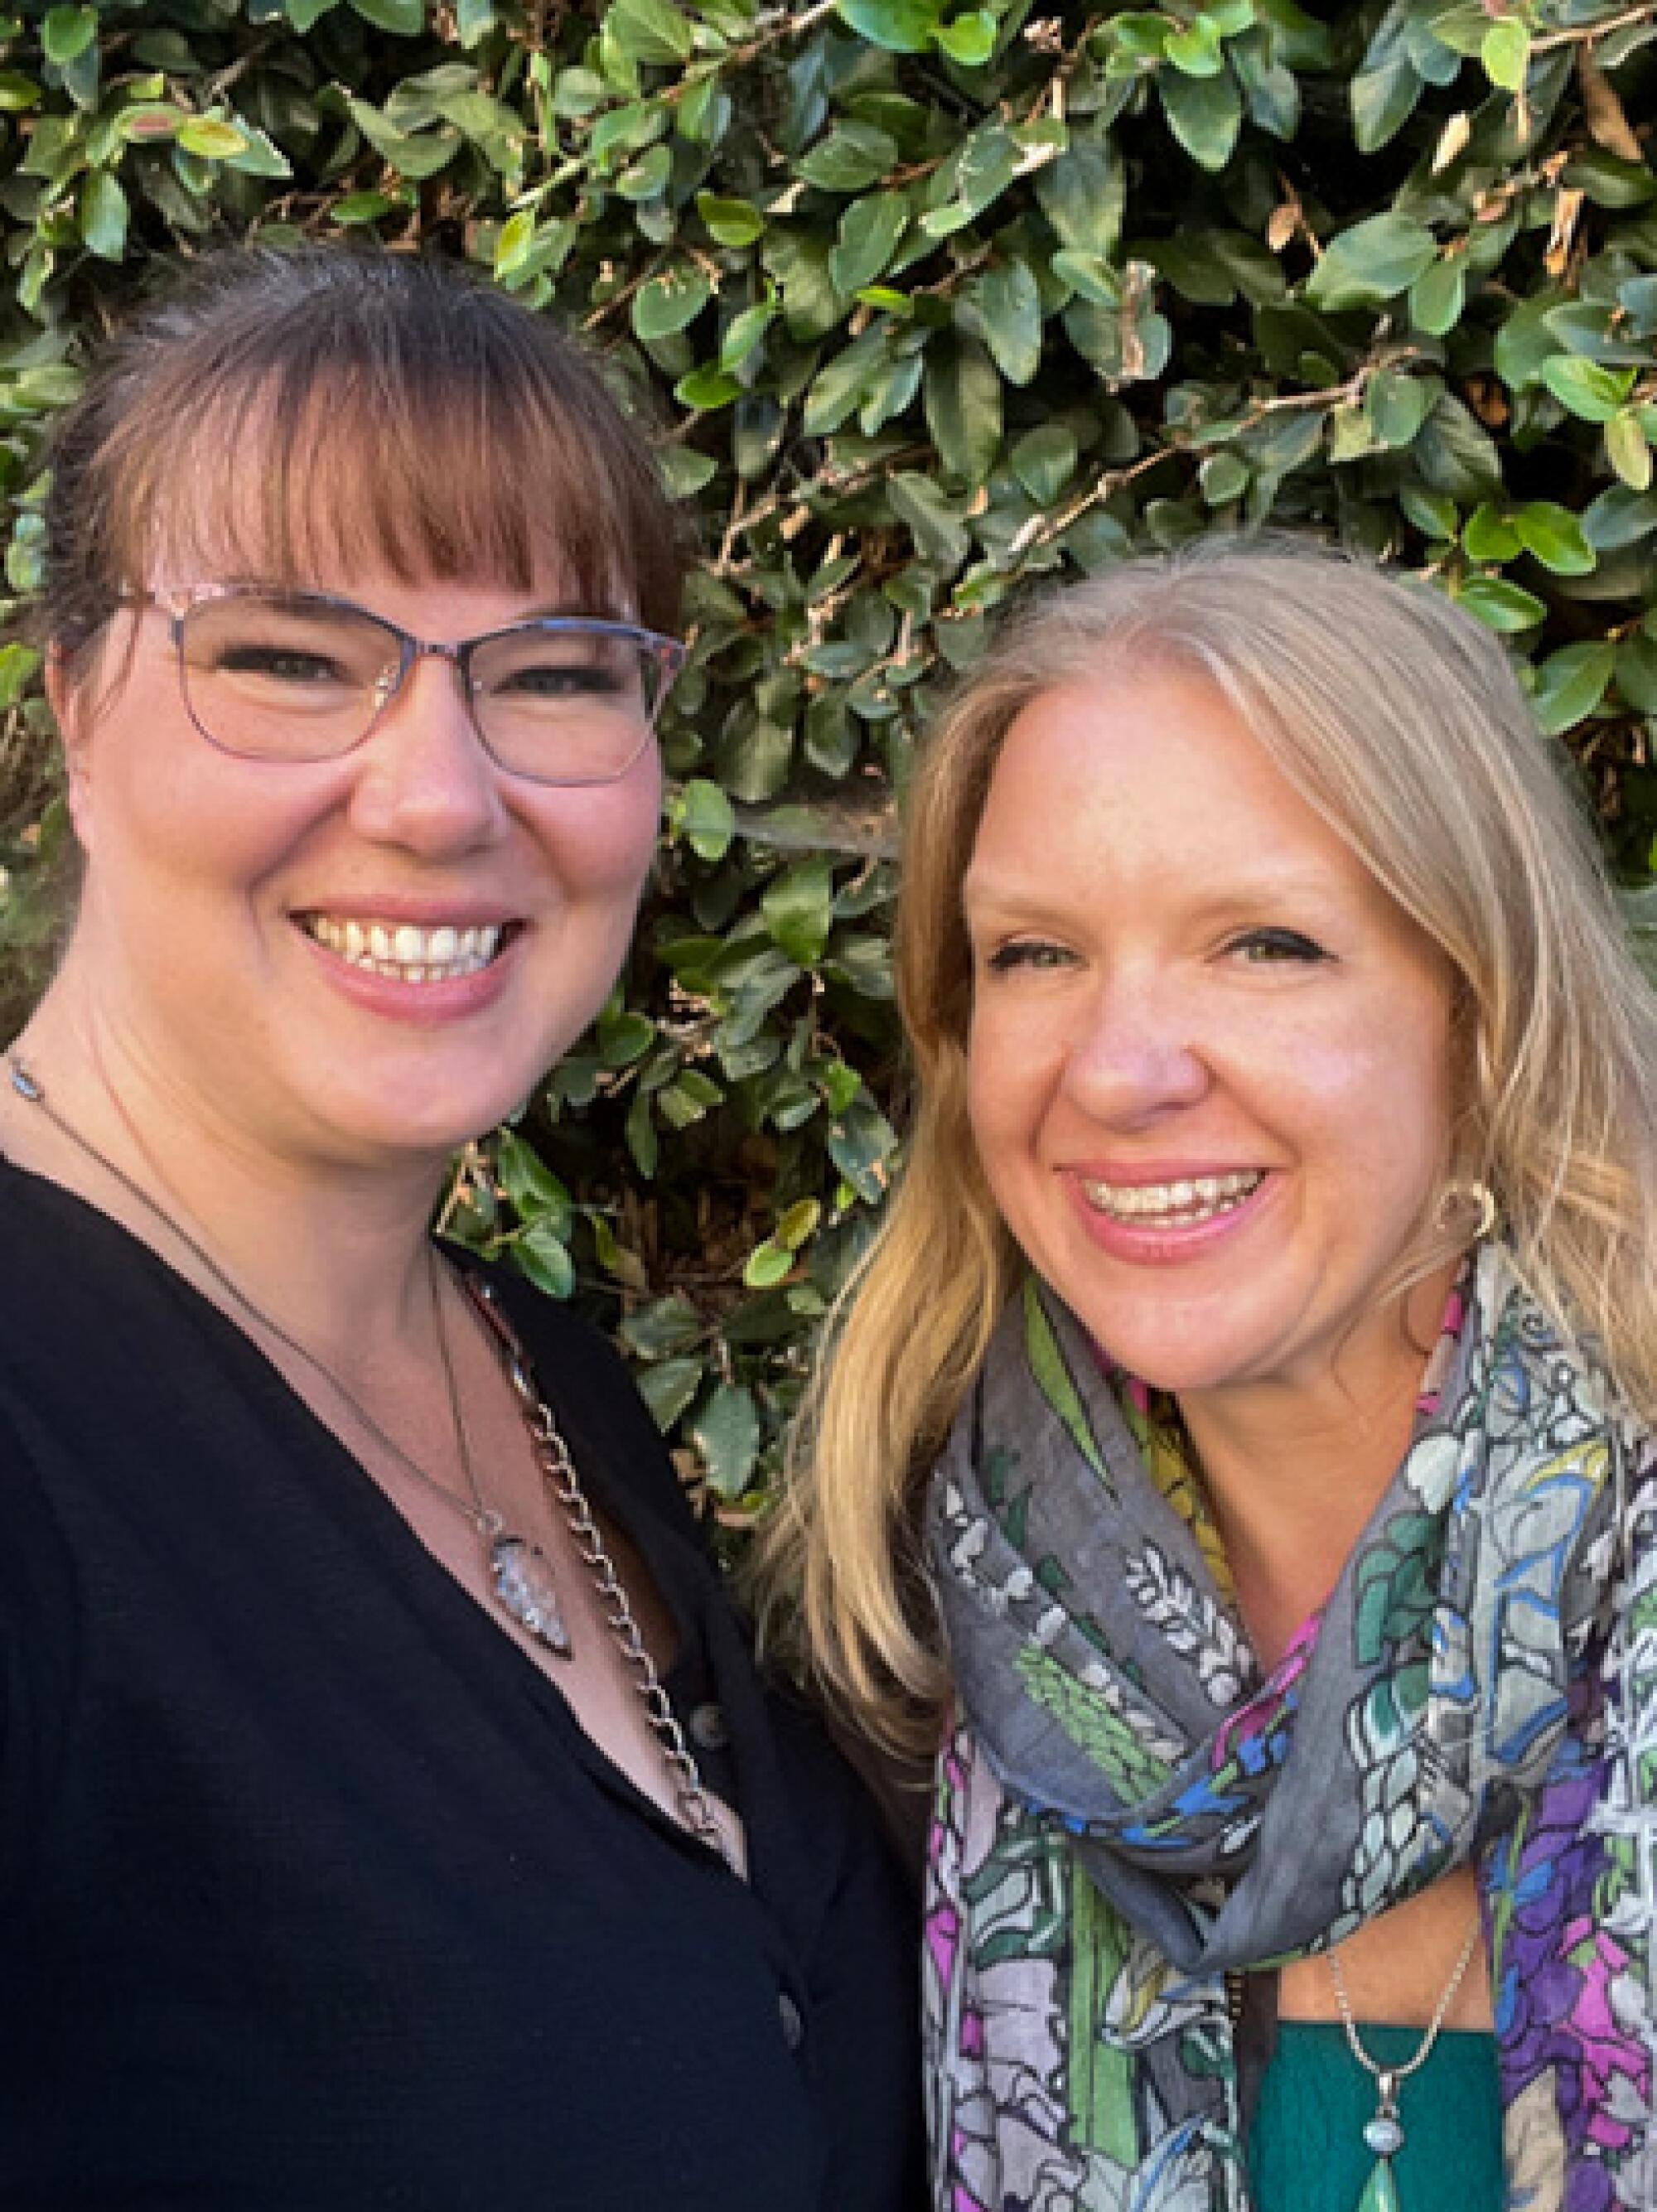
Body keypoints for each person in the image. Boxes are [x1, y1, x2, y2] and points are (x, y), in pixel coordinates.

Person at [0, 244, 924, 2210]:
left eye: (557, 674)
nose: (437, 793)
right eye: (287, 656)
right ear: (74, 706)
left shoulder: (541, 1374)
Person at [773, 543, 1657, 2211]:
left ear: (1481, 1011)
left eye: (1263, 945)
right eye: (1034, 954)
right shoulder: (898, 1683)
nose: (1117, 1070)